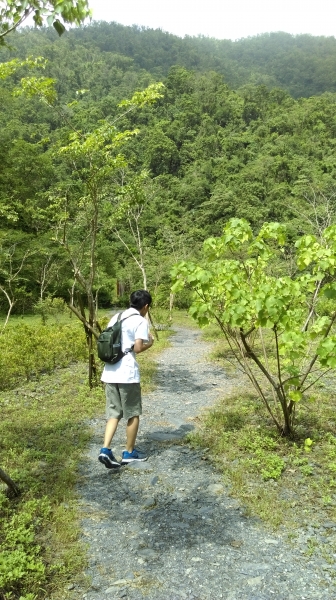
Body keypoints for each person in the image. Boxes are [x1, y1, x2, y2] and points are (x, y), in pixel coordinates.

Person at [98, 289, 154, 468]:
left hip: (109, 372)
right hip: (127, 374)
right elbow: (137, 348)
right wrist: (150, 344)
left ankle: (105, 449)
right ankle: (129, 453)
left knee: (114, 413)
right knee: (132, 413)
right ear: (145, 306)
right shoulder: (140, 320)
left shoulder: (116, 317)